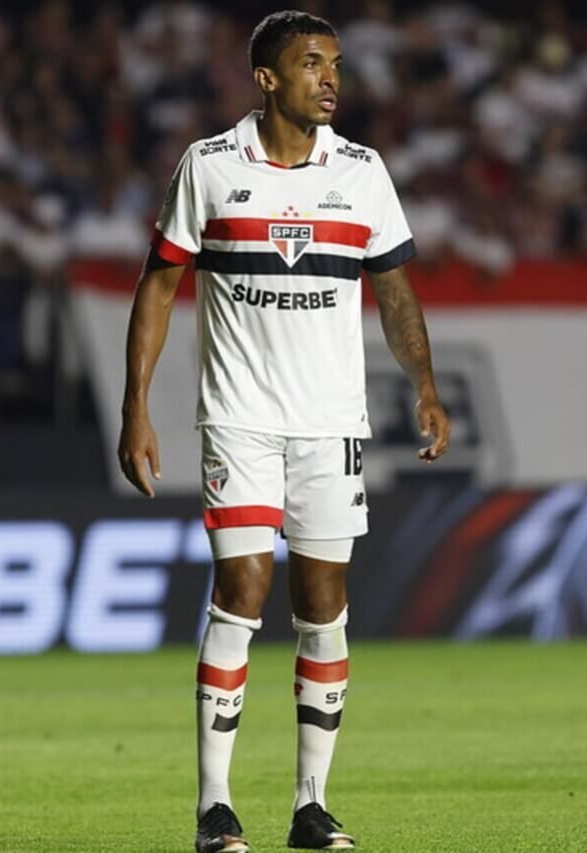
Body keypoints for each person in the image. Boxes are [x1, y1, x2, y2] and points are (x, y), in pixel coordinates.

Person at [118, 10, 450, 852]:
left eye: (334, 63)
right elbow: (159, 284)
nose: (330, 78)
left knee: (323, 605)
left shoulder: (363, 172)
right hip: (241, 418)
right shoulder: (210, 166)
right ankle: (215, 806)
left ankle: (311, 804)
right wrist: (135, 405)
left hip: (331, 422)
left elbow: (395, 291)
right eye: (311, 63)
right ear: (267, 78)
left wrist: (425, 386)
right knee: (242, 587)